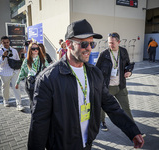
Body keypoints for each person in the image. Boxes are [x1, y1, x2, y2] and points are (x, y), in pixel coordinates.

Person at [28, 19, 144, 150]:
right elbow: (39, 124)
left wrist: (132, 131)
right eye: (84, 43)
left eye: (91, 43)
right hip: (60, 146)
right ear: (69, 44)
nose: (88, 48)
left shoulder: (95, 73)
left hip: (87, 144)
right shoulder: (48, 79)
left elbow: (111, 105)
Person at [96, 32, 134, 131]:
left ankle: (133, 128)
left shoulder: (124, 52)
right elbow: (97, 70)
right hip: (107, 87)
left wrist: (129, 72)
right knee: (102, 106)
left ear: (118, 42)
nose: (110, 45)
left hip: (121, 86)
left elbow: (128, 65)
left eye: (112, 43)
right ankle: (102, 122)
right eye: (109, 43)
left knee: (126, 108)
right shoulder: (104, 54)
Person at [15, 42, 49, 111]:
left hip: (40, 84)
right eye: (33, 49)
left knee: (40, 101)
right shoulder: (27, 61)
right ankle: (34, 117)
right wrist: (17, 82)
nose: (35, 50)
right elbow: (22, 72)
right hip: (30, 84)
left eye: (37, 48)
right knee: (32, 102)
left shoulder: (42, 59)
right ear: (30, 50)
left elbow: (49, 69)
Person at [0, 36, 24, 110]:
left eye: (7, 42)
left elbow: (17, 60)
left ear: (9, 42)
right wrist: (3, 56)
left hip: (14, 72)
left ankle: (19, 104)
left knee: (16, 87)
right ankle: (5, 100)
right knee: (5, 87)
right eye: (4, 42)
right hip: (4, 72)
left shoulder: (14, 50)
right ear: (1, 43)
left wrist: (19, 69)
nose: (6, 44)